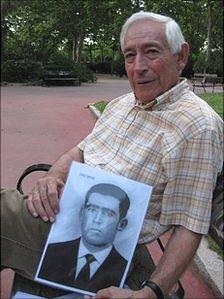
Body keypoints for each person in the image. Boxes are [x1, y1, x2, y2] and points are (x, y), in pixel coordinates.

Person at [1, 10, 223, 299]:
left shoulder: (196, 126)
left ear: (181, 57)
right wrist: (52, 177)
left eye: (151, 52)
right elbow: (78, 151)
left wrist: (152, 292)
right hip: (63, 214)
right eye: (130, 56)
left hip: (106, 247)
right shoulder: (122, 104)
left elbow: (189, 225)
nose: (138, 66)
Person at [38, 183, 130, 293]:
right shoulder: (52, 251)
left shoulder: (122, 268)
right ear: (82, 213)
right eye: (92, 210)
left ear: (121, 224)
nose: (97, 220)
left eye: (108, 214)